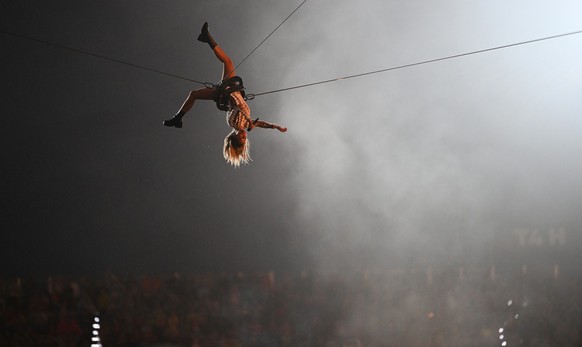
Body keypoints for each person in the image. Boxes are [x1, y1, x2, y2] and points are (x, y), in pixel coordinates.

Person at [163, 22, 287, 167]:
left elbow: (238, 107)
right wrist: (275, 127)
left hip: (227, 92)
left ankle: (207, 38)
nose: (244, 135)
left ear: (234, 136)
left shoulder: (233, 123)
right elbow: (260, 124)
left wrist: (249, 121)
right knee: (194, 94)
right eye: (244, 139)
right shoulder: (246, 124)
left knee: (227, 61)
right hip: (227, 92)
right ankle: (178, 119)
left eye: (240, 138)